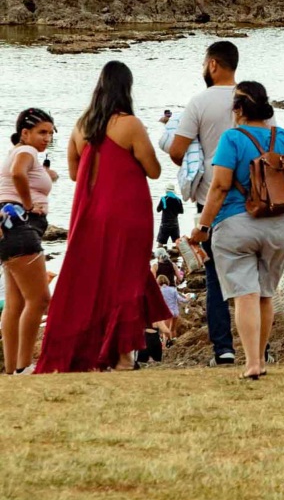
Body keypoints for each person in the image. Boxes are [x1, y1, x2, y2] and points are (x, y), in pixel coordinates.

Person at [36, 62, 170, 373]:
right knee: (126, 280)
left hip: (89, 215)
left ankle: (91, 352)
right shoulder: (130, 125)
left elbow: (72, 173)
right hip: (127, 214)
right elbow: (154, 170)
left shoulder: (80, 126)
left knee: (91, 282)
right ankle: (123, 357)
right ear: (126, 88)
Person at [189, 82, 284, 381]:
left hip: (236, 225)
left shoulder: (232, 139)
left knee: (245, 294)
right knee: (265, 294)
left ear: (238, 109)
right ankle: (261, 358)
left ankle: (252, 362)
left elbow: (219, 187)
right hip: (279, 224)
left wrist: (202, 227)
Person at [168, 40, 262, 368]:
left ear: (212, 65)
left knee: (216, 279)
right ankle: (259, 350)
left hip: (213, 200)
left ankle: (223, 349)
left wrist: (197, 151)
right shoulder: (252, 99)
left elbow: (177, 151)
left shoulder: (199, 102)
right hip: (256, 201)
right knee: (256, 281)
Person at [0, 108, 57, 375]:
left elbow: (26, 176)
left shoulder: (24, 153)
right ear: (25, 133)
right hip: (20, 227)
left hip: (7, 227)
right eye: (41, 132)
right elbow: (18, 174)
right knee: (40, 300)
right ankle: (24, 367)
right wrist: (27, 203)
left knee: (15, 304)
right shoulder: (26, 152)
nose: (47, 137)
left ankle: (12, 370)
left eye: (50, 132)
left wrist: (49, 177)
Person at [157, 273, 183, 338]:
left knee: (166, 331)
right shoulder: (173, 289)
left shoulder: (159, 291)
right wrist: (187, 298)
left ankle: (169, 345)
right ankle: (175, 343)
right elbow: (180, 299)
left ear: (158, 283)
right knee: (173, 330)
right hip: (175, 313)